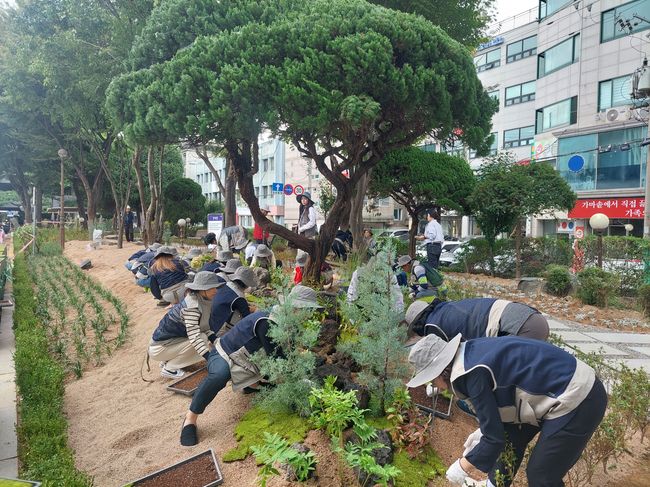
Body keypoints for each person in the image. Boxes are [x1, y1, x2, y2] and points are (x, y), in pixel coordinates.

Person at [406, 334, 607, 487]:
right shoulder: (469, 356)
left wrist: (462, 466)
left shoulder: (473, 375)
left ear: (442, 371)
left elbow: (494, 440)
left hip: (578, 395)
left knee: (541, 474)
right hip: (553, 390)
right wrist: (485, 430)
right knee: (512, 438)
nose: (434, 385)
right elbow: (502, 426)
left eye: (432, 379)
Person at [179, 285, 323, 446]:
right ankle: (190, 419)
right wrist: (301, 383)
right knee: (220, 375)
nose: (309, 315)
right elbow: (279, 362)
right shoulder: (268, 322)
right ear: (296, 308)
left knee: (274, 378)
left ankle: (250, 385)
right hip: (224, 354)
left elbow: (287, 354)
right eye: (308, 310)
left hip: (248, 360)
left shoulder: (289, 322)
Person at [148, 272, 225, 379]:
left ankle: (168, 360)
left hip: (168, 344)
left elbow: (204, 327)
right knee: (201, 340)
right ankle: (170, 368)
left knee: (203, 338)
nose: (215, 291)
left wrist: (217, 342)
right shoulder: (192, 307)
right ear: (201, 289)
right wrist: (210, 358)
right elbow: (194, 337)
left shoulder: (201, 299)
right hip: (160, 348)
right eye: (211, 288)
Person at [404, 298, 549, 342]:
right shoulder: (444, 309)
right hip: (528, 315)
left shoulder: (433, 326)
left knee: (505, 378)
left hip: (517, 327)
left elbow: (448, 358)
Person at [209, 266, 255, 336]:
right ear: (246, 285)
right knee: (238, 315)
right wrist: (255, 311)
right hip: (215, 329)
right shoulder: (239, 297)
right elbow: (247, 317)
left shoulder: (224, 284)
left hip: (207, 320)